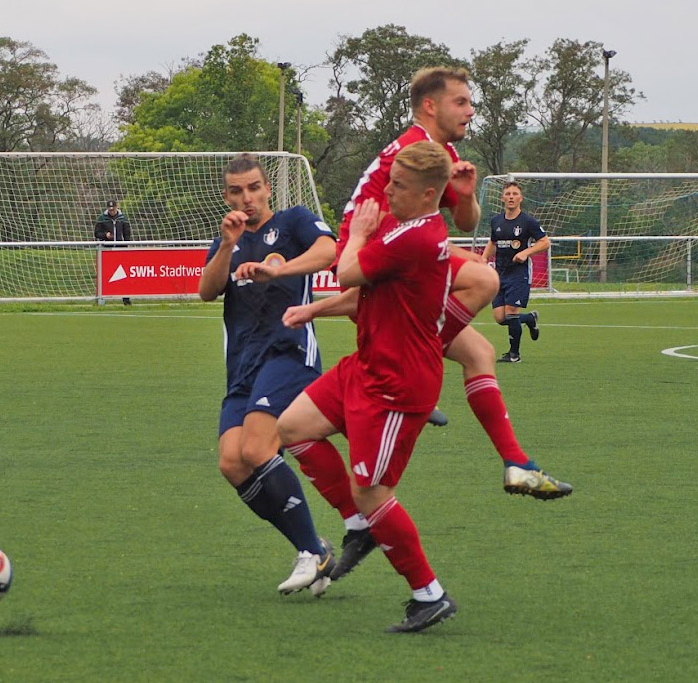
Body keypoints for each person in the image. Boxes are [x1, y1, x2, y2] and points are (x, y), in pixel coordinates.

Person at [286, 66, 571, 586]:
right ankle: (398, 548)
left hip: (397, 257)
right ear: (430, 106)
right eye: (462, 101)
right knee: (484, 280)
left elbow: (464, 222)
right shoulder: (413, 154)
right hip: (374, 253)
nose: (471, 110)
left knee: (480, 353)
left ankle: (516, 463)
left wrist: (465, 193)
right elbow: (386, 235)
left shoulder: (441, 154)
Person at [279, 142, 457, 633]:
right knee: (293, 428)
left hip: (398, 384)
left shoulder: (418, 237)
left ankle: (429, 594)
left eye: (398, 185)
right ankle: (360, 526)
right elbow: (365, 293)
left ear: (427, 195)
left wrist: (356, 234)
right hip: (366, 365)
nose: (388, 191)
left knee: (373, 493)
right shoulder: (404, 227)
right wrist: (313, 310)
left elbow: (347, 271)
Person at [198, 153, 338, 597]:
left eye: (254, 188)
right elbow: (207, 291)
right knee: (232, 462)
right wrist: (226, 245)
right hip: (242, 364)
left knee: (257, 448)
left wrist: (279, 269)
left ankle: (311, 552)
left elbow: (328, 251)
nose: (247, 198)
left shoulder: (294, 221)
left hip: (288, 351)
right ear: (227, 196)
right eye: (237, 191)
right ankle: (314, 547)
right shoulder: (229, 240)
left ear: (267, 189)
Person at [481, 181, 550, 363]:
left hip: (519, 273)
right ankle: (529, 319)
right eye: (508, 194)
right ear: (502, 198)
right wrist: (483, 259)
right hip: (500, 273)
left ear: (521, 198)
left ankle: (514, 354)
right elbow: (493, 242)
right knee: (500, 317)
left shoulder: (528, 222)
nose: (511, 197)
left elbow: (545, 242)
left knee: (511, 312)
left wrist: (526, 252)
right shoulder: (496, 221)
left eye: (514, 194)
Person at [95, 200, 133, 305]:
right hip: (107, 250)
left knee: (124, 274)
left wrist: (126, 246)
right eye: (110, 209)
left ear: (117, 207)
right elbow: (97, 233)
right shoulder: (102, 219)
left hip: (121, 250)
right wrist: (105, 235)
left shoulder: (123, 218)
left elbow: (127, 233)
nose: (112, 211)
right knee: (105, 274)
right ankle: (102, 298)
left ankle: (126, 299)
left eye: (113, 209)